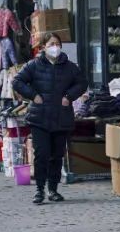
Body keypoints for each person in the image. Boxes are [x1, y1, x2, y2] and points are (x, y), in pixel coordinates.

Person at [13, 32, 86, 204]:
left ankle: (53, 189)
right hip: (40, 117)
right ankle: (39, 189)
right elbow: (17, 81)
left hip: (61, 118)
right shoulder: (34, 65)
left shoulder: (69, 66)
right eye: (51, 44)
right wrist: (33, 95)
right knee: (42, 154)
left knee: (57, 155)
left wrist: (69, 96)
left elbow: (82, 83)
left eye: (57, 44)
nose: (55, 47)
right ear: (43, 47)